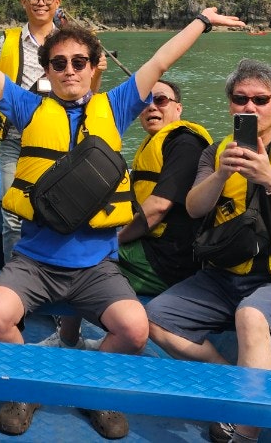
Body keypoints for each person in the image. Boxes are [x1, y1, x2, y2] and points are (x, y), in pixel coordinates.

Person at [0, 7, 247, 439]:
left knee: (134, 329)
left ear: (95, 68)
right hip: (35, 262)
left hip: (96, 266)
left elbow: (160, 61)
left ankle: (92, 390)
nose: (70, 70)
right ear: (48, 71)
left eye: (79, 62)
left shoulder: (115, 107)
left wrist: (201, 22)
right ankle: (28, 388)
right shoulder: (28, 108)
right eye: (59, 63)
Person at [146, 59, 271, 443]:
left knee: (251, 316)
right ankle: (234, 378)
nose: (250, 107)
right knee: (154, 319)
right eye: (240, 99)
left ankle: (244, 433)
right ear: (230, 105)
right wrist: (221, 175)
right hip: (223, 277)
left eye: (260, 99)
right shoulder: (216, 154)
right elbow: (195, 208)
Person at [46, 78, 213, 349]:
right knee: (81, 244)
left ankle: (70, 341)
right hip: (151, 247)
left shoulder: (184, 144)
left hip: (168, 260)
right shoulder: (156, 144)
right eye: (145, 102)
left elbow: (158, 207)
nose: (152, 107)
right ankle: (74, 334)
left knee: (80, 260)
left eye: (161, 100)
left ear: (178, 108)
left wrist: (116, 239)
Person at [0, 0, 68, 262]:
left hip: (58, 142)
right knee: (13, 216)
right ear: (24, 2)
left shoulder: (68, 43)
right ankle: (15, 276)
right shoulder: (7, 41)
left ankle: (51, 272)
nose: (40, 3)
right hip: (15, 142)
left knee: (57, 211)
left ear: (57, 3)